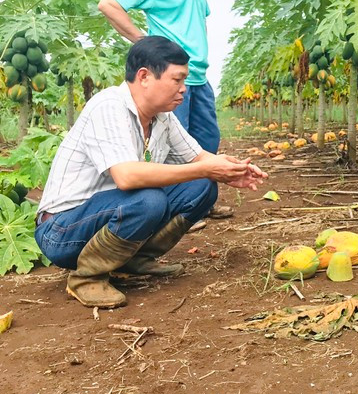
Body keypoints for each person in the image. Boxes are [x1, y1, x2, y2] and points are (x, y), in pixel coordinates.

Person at [35, 37, 267, 309]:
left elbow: (199, 157)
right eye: (177, 80)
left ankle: (131, 259)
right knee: (148, 199)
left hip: (111, 214)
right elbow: (127, 177)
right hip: (62, 232)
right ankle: (86, 278)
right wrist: (204, 167)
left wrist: (230, 169)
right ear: (144, 76)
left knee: (203, 185)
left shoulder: (162, 116)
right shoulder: (109, 106)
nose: (183, 89)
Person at [97, 0, 232, 225]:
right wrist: (143, 43)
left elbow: (197, 22)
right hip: (169, 76)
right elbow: (109, 4)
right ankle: (177, 211)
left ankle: (201, 203)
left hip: (198, 73)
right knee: (173, 147)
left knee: (206, 140)